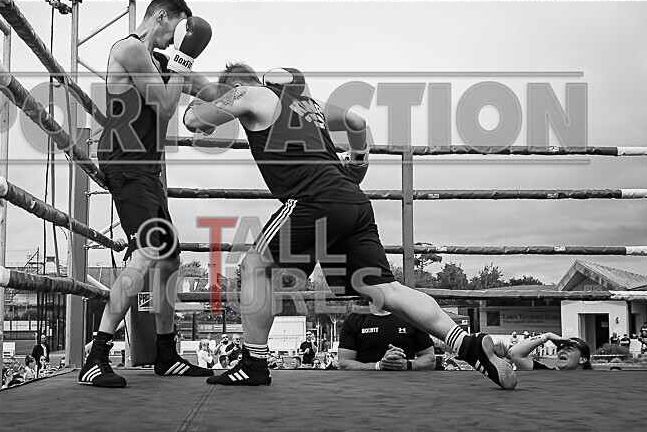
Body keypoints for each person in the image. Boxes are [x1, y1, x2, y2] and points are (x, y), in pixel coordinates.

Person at [187, 64, 516, 389]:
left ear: (234, 88)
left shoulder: (247, 94)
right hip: (353, 200)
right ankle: (468, 345)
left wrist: (198, 92)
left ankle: (253, 364)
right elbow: (357, 122)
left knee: (254, 266)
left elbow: (194, 120)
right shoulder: (308, 104)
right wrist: (358, 161)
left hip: (312, 199)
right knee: (387, 290)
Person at [79, 0, 217, 389]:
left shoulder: (159, 61)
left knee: (169, 259)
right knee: (146, 252)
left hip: (146, 170)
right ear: (162, 16)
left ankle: (165, 353)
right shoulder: (129, 49)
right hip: (125, 162)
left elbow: (206, 91)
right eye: (175, 30)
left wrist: (237, 99)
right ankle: (96, 356)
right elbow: (165, 106)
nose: (175, 40)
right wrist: (185, 57)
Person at [508, 333, 591, 371]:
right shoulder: (547, 375)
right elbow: (515, 353)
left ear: (582, 359)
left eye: (569, 349)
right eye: (560, 349)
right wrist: (547, 336)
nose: (562, 351)